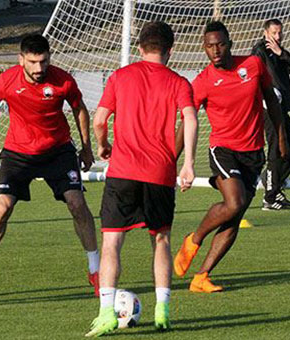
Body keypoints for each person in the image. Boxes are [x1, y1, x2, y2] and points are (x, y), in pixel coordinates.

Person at [0, 34, 100, 299]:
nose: (39, 68)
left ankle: (96, 271)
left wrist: (86, 147)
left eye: (43, 61)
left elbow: (79, 109)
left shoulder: (63, 79)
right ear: (21, 59)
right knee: (2, 207)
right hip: (18, 153)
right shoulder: (6, 81)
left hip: (58, 151)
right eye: (32, 62)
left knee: (77, 204)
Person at [85, 21, 198, 337]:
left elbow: (99, 120)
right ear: (170, 50)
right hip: (160, 174)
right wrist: (187, 163)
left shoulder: (121, 77)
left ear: (139, 48)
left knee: (112, 241)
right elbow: (190, 118)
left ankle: (106, 313)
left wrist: (103, 144)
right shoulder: (178, 82)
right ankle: (162, 310)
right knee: (160, 239)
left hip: (122, 171)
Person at [173, 21, 287, 293]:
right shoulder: (202, 82)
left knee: (234, 217)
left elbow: (271, 100)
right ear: (204, 48)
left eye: (220, 44)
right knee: (235, 203)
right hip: (223, 150)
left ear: (230, 43)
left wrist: (281, 138)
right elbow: (186, 121)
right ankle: (194, 239)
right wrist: (172, 160)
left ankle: (202, 276)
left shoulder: (253, 65)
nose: (216, 50)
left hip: (254, 152)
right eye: (210, 46)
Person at [252, 18, 290, 210]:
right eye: (274, 33)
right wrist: (265, 97)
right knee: (276, 148)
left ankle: (272, 181)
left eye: (280, 32)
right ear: (266, 33)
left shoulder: (279, 52)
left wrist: (281, 53)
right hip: (268, 107)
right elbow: (253, 74)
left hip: (282, 108)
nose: (278, 36)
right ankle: (270, 198)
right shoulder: (259, 51)